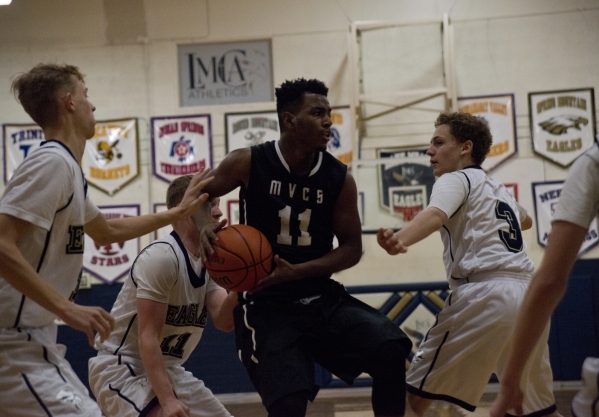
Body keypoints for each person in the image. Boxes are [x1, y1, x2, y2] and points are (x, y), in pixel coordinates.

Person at [0, 63, 212, 416]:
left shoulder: (67, 169)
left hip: (31, 337)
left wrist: (175, 215)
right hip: (11, 339)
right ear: (68, 101)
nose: (92, 105)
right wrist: (69, 309)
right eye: (86, 95)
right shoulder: (51, 162)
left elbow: (106, 232)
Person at [194, 78, 412, 417]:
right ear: (289, 120)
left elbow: (352, 248)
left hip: (320, 297)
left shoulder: (339, 178)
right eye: (317, 113)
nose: (328, 121)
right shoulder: (249, 161)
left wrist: (299, 271)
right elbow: (194, 194)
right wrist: (203, 222)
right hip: (267, 305)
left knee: (390, 348)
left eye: (329, 113)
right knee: (289, 404)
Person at [377, 112, 561, 417]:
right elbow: (525, 220)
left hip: (484, 293)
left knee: (412, 399)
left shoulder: (455, 179)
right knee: (536, 410)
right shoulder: (498, 189)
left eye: (438, 142)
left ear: (465, 147)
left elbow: (435, 215)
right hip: (528, 298)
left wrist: (401, 239)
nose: (429, 151)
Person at [89, 177, 237, 417]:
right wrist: (167, 400)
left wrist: (243, 285)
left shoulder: (208, 261)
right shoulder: (162, 257)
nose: (219, 212)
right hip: (122, 367)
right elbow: (147, 337)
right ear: (186, 212)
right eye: (210, 205)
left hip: (167, 369)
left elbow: (224, 320)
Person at [490, 141, 599, 417]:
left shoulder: (592, 163)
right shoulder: (496, 190)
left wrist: (510, 381)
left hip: (490, 290)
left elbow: (550, 281)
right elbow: (526, 222)